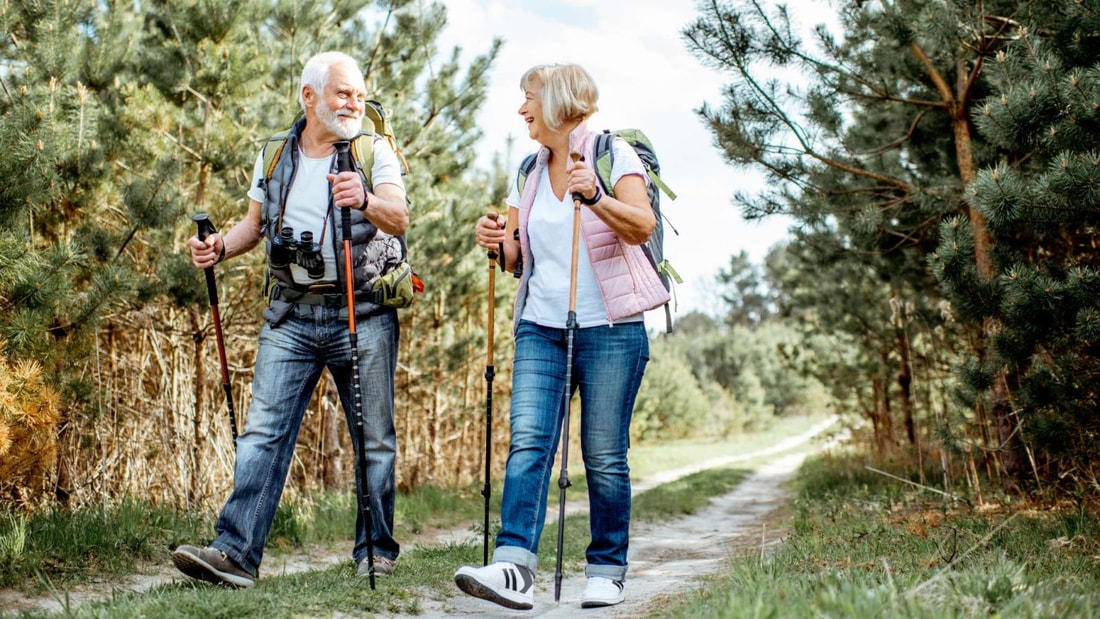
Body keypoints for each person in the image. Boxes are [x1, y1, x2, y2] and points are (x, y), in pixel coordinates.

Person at [173, 50, 408, 588]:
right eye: (343, 93)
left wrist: (366, 199)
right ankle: (234, 554)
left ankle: (375, 550)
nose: (355, 103)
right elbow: (253, 227)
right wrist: (218, 248)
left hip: (362, 311)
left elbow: (398, 216)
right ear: (309, 97)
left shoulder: (374, 151)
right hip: (291, 315)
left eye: (359, 94)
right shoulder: (276, 154)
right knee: (262, 435)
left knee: (372, 438)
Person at [454, 63, 669, 610]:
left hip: (612, 330)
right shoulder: (527, 169)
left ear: (556, 102)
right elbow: (514, 258)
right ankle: (513, 567)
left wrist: (595, 196)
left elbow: (640, 226)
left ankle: (606, 568)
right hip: (540, 326)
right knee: (529, 443)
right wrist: (495, 241)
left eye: (528, 98)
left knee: (602, 454)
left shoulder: (611, 153)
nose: (522, 109)